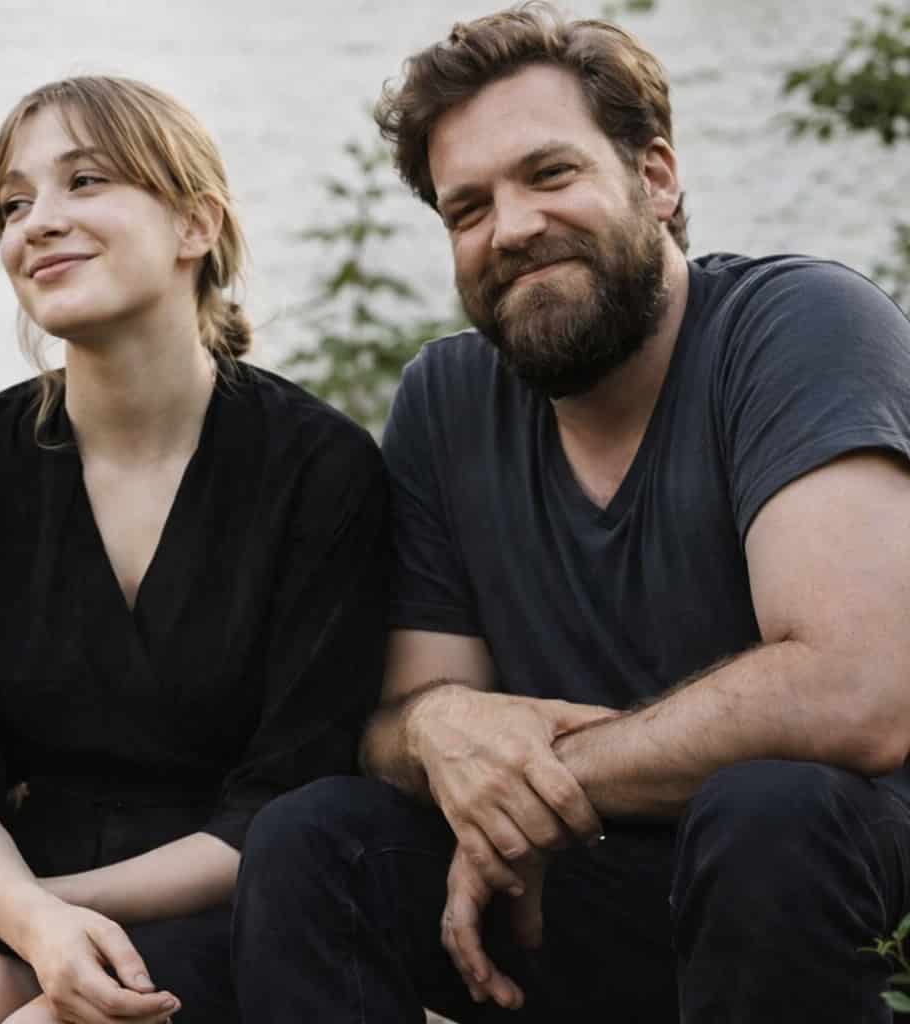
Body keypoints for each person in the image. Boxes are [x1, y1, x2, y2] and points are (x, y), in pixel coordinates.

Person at [232, 4, 910, 1023]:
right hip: (576, 892)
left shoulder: (799, 325)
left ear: (655, 176)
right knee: (317, 843)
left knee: (769, 808)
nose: (511, 229)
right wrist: (441, 728)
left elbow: (854, 691)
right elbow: (408, 715)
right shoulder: (447, 399)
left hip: (827, 881)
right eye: (467, 209)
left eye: (549, 174)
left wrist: (534, 788)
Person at [0, 75, 388, 1024]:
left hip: (239, 900)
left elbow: (286, 799)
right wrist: (27, 917)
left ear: (195, 224)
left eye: (84, 181)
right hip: (18, 882)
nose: (38, 222)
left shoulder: (319, 467)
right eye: (14, 204)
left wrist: (48, 907)